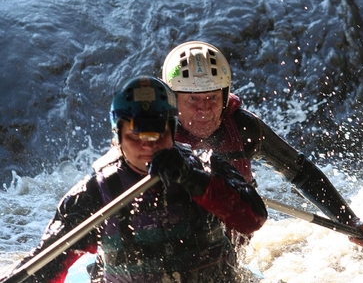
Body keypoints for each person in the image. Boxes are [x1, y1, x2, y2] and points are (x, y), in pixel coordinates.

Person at [5, 76, 267, 283]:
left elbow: (253, 219)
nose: (147, 146)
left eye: (156, 133)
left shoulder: (208, 168)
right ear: (118, 136)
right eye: (135, 136)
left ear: (173, 129)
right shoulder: (94, 194)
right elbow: (43, 267)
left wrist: (191, 180)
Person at [161, 41, 363, 248]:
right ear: (172, 99)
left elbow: (302, 173)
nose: (204, 109)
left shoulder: (243, 128)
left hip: (228, 244)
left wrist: (350, 220)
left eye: (212, 97)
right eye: (192, 99)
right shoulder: (152, 135)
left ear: (225, 96)